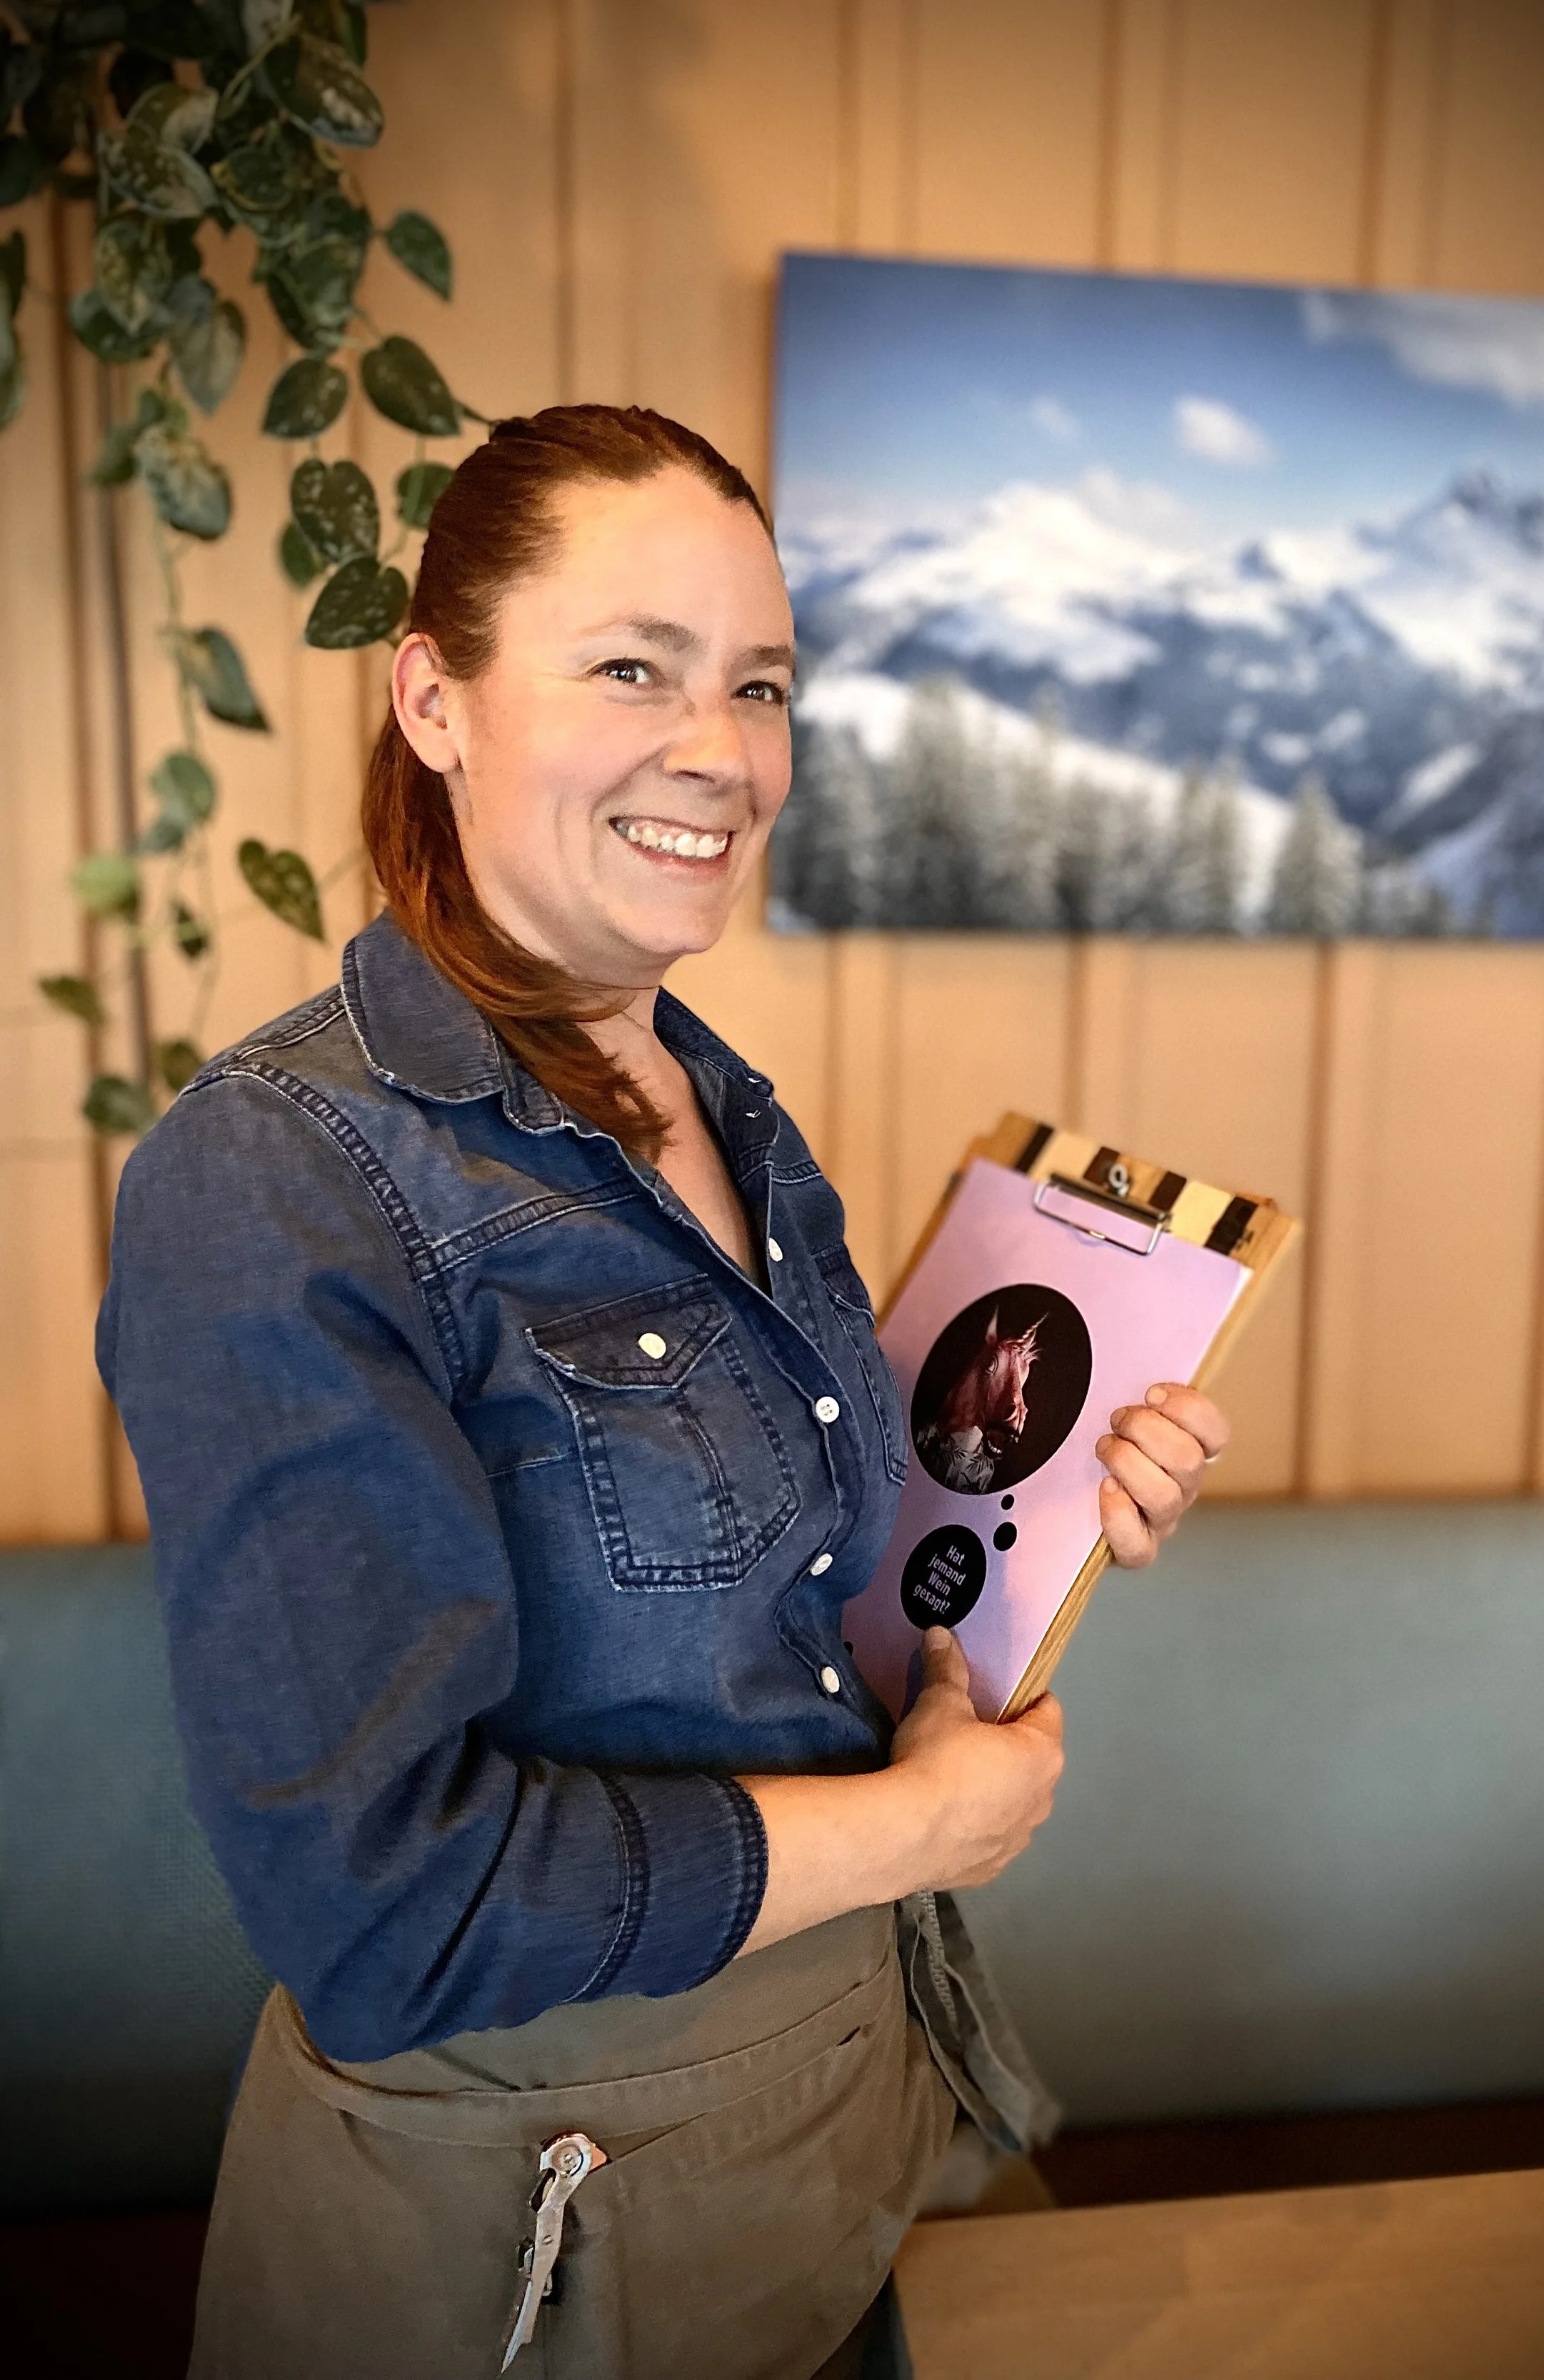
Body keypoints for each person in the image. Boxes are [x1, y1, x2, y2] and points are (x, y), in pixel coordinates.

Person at [99, 404, 1229, 2380]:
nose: (720, 748)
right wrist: (914, 1833)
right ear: (433, 697)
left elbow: (778, 1627)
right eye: (632, 665)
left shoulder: (730, 1117)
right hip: (521, 2245)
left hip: (812, 2153)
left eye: (760, 681)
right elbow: (384, 1908)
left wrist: (1037, 1521)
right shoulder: (280, 1172)